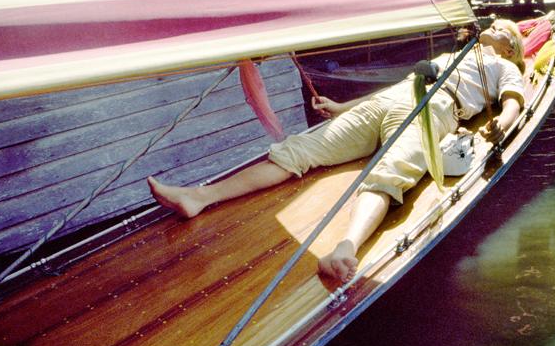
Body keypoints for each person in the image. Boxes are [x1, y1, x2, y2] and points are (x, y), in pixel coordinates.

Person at [148, 20, 526, 282]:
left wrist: (501, 125)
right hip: (394, 99)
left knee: (389, 173)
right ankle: (198, 196)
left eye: (500, 30)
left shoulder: (502, 67)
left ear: (510, 47)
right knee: (298, 149)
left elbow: (513, 102)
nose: (490, 28)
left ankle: (345, 249)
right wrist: (343, 108)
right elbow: (399, 86)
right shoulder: (452, 56)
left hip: (436, 109)